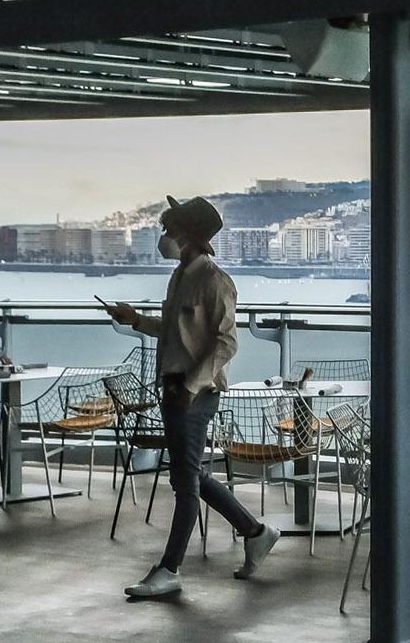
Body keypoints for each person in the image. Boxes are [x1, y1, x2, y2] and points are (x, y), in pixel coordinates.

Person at [104, 195, 279, 599]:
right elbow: (175, 330)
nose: (163, 236)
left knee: (185, 483)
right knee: (192, 475)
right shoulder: (181, 276)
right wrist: (135, 320)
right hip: (174, 390)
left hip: (193, 395)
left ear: (189, 236)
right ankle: (256, 532)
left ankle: (169, 569)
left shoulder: (215, 281)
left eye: (169, 230)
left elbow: (225, 343)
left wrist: (190, 385)